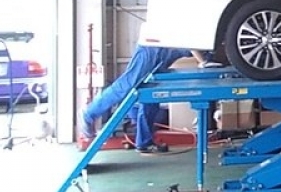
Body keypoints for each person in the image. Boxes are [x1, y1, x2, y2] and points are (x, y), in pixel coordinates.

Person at [78, 45, 209, 153]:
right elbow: (192, 43)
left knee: (151, 98)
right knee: (126, 86)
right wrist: (203, 62)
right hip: (154, 49)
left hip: (163, 52)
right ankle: (89, 113)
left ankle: (144, 142)